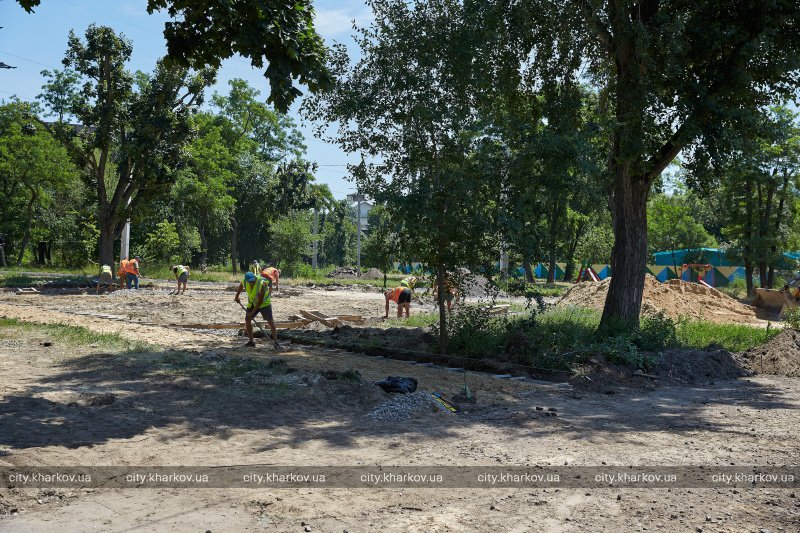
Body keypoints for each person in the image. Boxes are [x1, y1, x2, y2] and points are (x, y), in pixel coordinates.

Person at [235, 271, 279, 348]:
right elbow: (241, 286)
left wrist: (252, 312)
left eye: (253, 281)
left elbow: (260, 301)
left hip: (264, 304)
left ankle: (276, 343)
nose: (252, 283)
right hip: (252, 303)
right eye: (250, 282)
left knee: (270, 322)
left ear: (254, 278)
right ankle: (251, 342)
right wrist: (237, 296)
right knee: (247, 320)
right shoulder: (246, 281)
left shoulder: (262, 283)